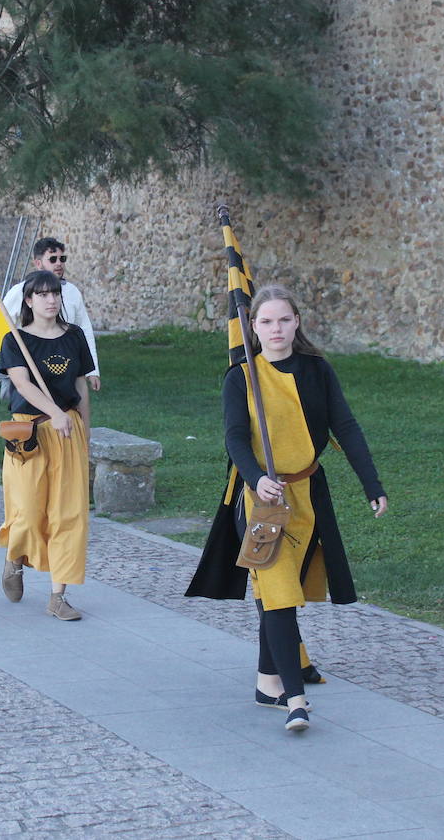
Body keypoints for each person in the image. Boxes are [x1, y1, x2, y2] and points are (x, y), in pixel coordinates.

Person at [186, 284, 387, 733]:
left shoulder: (317, 370)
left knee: (282, 593)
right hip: (261, 501)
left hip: (307, 497)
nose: (275, 329)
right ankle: (295, 700)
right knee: (277, 592)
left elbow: (346, 427)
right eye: (266, 321)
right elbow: (235, 437)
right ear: (253, 328)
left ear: (297, 322)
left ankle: (267, 683)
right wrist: (257, 477)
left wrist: (371, 484)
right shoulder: (242, 377)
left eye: (283, 319)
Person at [0, 270, 94, 621]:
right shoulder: (15, 339)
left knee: (69, 514)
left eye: (55, 293)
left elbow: (81, 387)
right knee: (26, 510)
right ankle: (14, 558)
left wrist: (85, 433)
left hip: (68, 432)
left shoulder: (75, 336)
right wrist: (54, 413)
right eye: (42, 294)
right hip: (29, 434)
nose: (50, 299)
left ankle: (58, 597)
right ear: (28, 300)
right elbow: (23, 385)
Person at [1, 237, 100, 391]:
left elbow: (85, 328)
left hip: (65, 366)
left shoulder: (72, 291)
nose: (59, 263)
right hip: (30, 366)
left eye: (62, 259)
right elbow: (2, 324)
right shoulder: (20, 291)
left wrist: (92, 371)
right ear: (38, 263)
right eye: (53, 259)